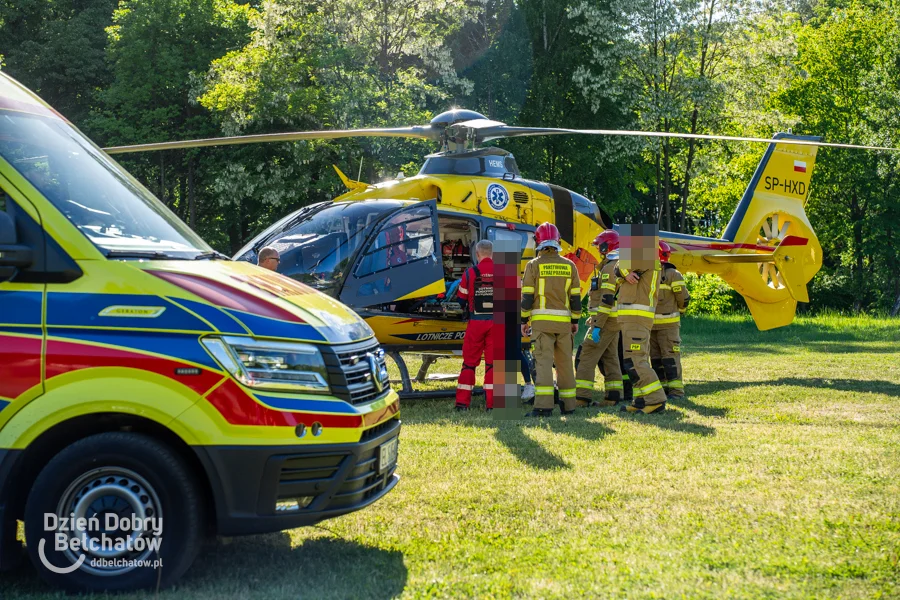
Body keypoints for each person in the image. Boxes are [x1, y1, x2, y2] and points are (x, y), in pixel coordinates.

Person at [521, 223, 582, 417]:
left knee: (544, 364)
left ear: (538, 242)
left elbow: (527, 296)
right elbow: (575, 298)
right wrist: (575, 321)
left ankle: (543, 407)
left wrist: (523, 320)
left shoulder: (533, 265)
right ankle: (569, 406)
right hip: (564, 325)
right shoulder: (570, 265)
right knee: (565, 365)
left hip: (542, 325)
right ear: (557, 242)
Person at [616, 238, 668, 413]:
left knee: (635, 360)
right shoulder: (645, 260)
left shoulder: (644, 258)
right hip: (633, 319)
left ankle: (656, 399)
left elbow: (618, 266)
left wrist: (622, 272)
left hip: (636, 318)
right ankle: (640, 400)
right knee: (636, 359)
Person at [574, 230, 624, 407]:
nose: (597, 249)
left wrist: (597, 325)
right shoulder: (611, 265)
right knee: (610, 357)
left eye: (599, 245)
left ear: (607, 246)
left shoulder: (610, 268)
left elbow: (606, 300)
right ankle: (613, 396)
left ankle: (581, 397)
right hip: (611, 320)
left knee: (586, 355)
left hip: (605, 321)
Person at [455, 240, 495, 411]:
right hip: (497, 324)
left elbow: (460, 299)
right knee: (494, 365)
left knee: (469, 363)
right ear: (492, 254)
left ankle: (462, 403)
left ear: (477, 254)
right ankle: (494, 405)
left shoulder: (470, 273)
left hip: (476, 323)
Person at [651, 240, 690, 401]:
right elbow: (684, 299)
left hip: (658, 326)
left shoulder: (659, 274)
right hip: (663, 326)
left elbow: (683, 298)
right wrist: (680, 310)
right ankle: (669, 391)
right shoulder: (671, 274)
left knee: (662, 358)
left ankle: (674, 391)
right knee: (663, 358)